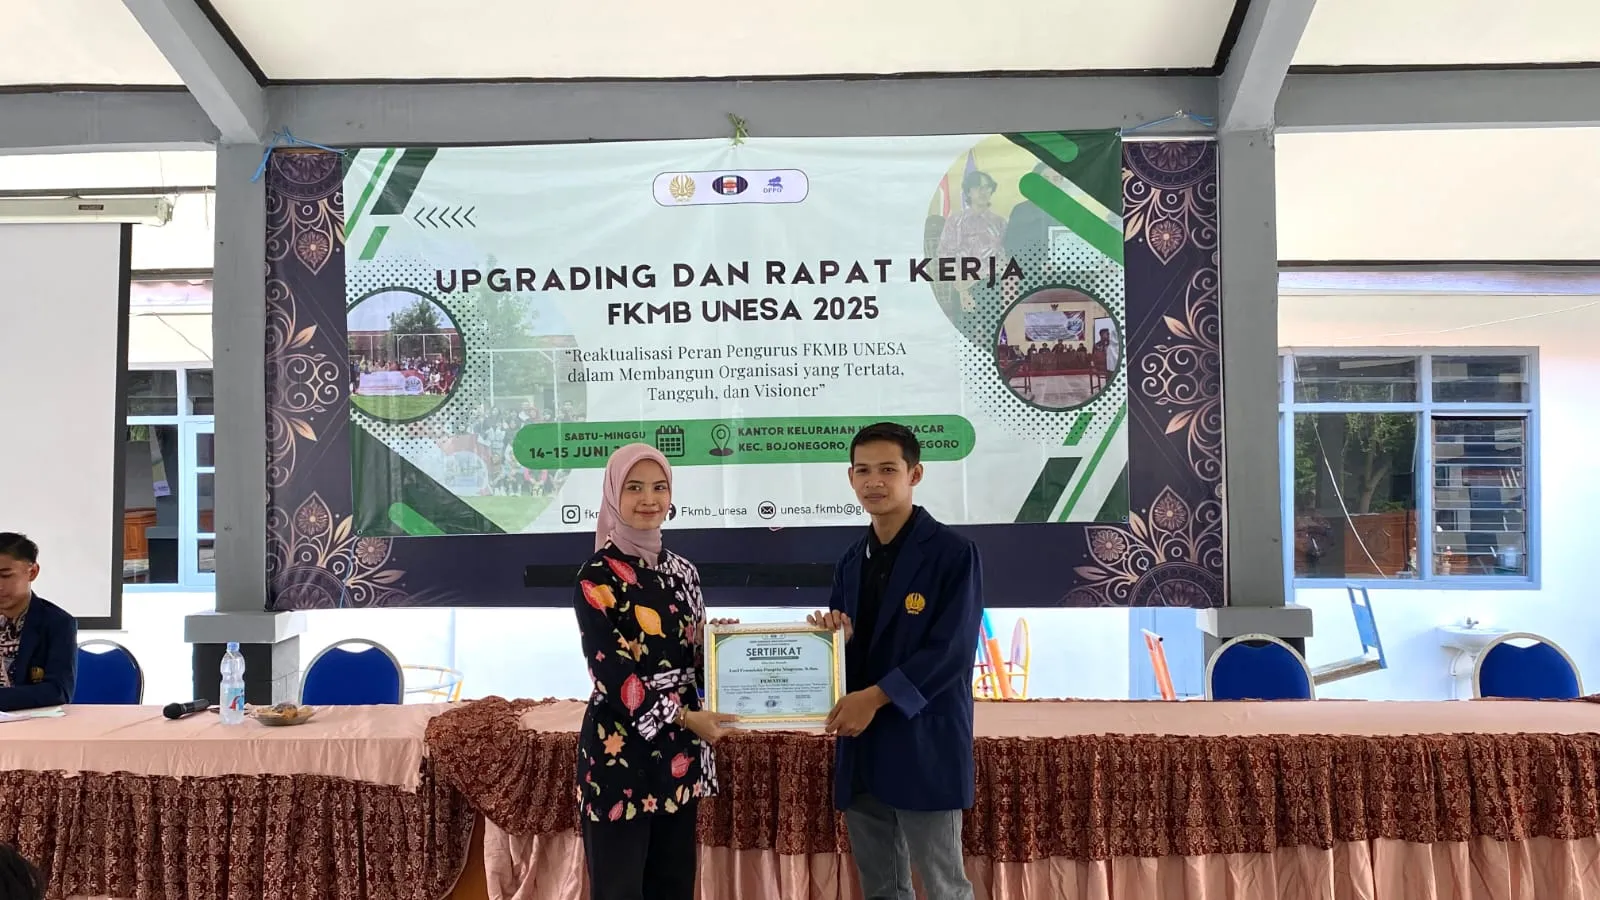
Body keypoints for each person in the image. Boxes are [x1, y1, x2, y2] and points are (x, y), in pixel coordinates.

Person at [808, 423, 983, 900]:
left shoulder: (952, 554)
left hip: (924, 742)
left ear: (914, 474)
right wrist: (834, 641)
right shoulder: (850, 561)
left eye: (888, 469)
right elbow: (851, 654)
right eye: (863, 471)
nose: (874, 482)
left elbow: (950, 652)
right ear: (850, 478)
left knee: (946, 887)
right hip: (863, 747)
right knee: (882, 888)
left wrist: (875, 697)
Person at [573, 444, 738, 900]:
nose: (649, 499)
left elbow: (693, 661)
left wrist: (721, 646)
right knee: (619, 889)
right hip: (619, 753)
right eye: (634, 488)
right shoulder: (596, 576)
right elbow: (613, 674)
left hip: (678, 755)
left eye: (659, 487)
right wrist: (684, 717)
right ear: (614, 495)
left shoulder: (684, 572)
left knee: (673, 885)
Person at [0, 533, 77, 713]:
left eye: (5, 576)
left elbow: (58, 691)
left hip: (29, 723)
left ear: (32, 572)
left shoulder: (57, 623)